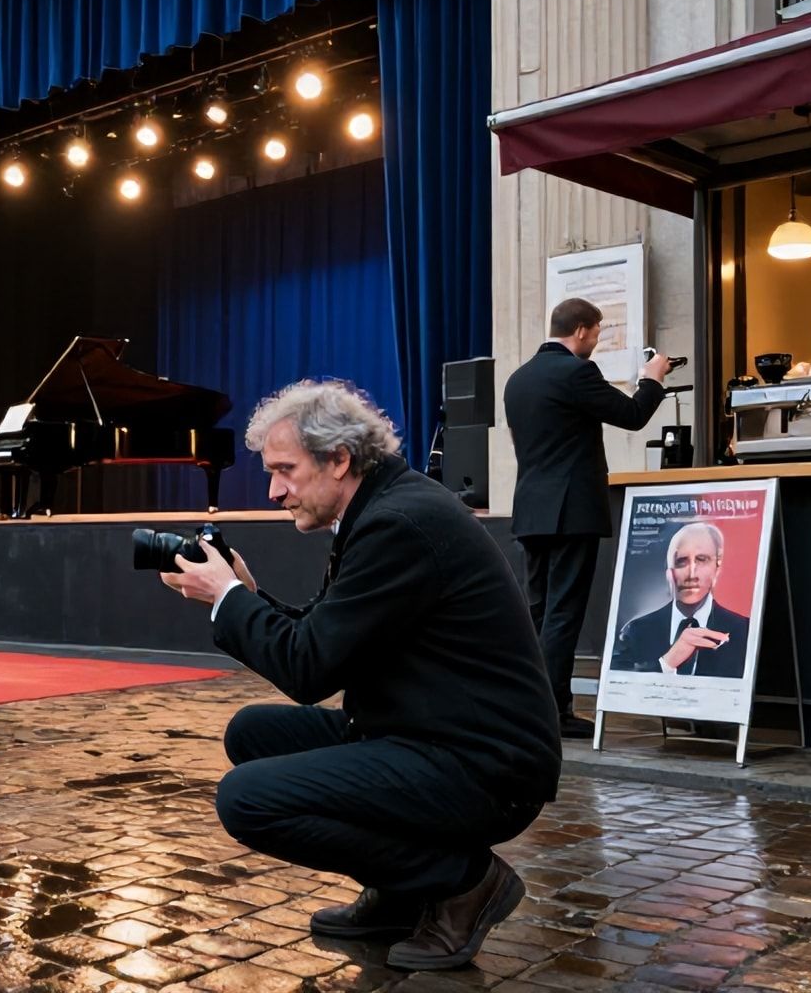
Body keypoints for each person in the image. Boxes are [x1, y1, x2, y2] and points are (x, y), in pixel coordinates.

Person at [161, 380, 560, 972]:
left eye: (285, 470)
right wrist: (246, 595)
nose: (274, 491)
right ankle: (401, 894)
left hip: (486, 767)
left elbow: (309, 669)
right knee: (252, 732)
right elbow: (331, 639)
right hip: (427, 731)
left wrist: (225, 600)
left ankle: (464, 881)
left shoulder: (398, 522)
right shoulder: (382, 507)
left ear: (339, 458)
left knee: (247, 801)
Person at [503, 298, 671, 738]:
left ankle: (527, 709)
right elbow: (633, 416)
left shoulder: (518, 380)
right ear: (581, 330)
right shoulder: (576, 372)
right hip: (571, 510)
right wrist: (652, 380)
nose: (596, 341)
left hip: (530, 510)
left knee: (538, 613)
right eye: (597, 332)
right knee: (563, 614)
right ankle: (553, 715)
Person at [609, 521, 750, 677]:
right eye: (681, 561)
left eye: (702, 560)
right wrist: (666, 663)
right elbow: (617, 687)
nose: (691, 575)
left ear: (717, 569)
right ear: (669, 573)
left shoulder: (744, 631)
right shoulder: (635, 632)